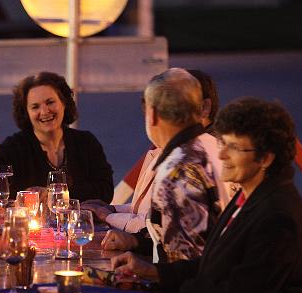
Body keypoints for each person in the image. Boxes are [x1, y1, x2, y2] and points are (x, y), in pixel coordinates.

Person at [112, 97, 302, 293]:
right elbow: (214, 265)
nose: (221, 155)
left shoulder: (277, 216)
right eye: (222, 143)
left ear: (266, 158)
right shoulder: (249, 195)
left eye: (233, 147)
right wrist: (152, 273)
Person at [84, 68, 229, 234]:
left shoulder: (177, 166)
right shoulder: (213, 149)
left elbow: (175, 245)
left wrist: (109, 216)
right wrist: (112, 211)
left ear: (151, 114)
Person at [0, 71, 114, 202]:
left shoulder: (86, 142)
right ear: (26, 113)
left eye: (50, 102)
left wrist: (54, 194)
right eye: (35, 107)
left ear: (64, 103)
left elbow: (105, 191)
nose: (44, 111)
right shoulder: (10, 151)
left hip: (79, 222)